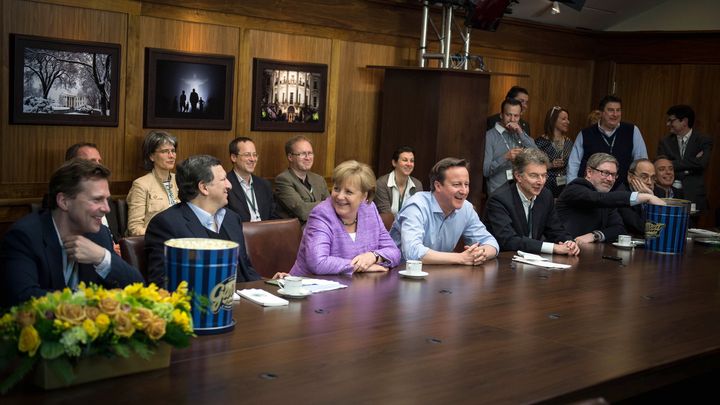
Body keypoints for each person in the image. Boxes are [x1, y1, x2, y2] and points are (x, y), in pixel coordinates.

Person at [0, 160, 144, 307]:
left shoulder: (99, 234)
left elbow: (138, 286)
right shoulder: (24, 236)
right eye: (97, 199)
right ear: (64, 201)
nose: (107, 209)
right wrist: (92, 301)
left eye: (107, 200)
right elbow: (23, 298)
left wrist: (102, 258)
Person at [145, 155, 266, 288]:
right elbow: (162, 283)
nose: (230, 185)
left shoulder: (232, 219)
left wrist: (269, 284)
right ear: (204, 187)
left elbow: (246, 270)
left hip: (245, 301)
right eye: (223, 179)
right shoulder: (167, 224)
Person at [289, 160, 401, 276]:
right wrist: (360, 266)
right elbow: (318, 262)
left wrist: (373, 256)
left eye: (348, 192)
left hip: (356, 288)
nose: (340, 196)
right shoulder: (321, 214)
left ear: (364, 196)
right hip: (308, 288)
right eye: (337, 189)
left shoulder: (369, 210)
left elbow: (394, 252)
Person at [391, 157, 499, 265]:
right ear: (438, 186)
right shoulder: (416, 206)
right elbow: (413, 253)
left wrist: (480, 254)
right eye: (457, 184)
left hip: (439, 274)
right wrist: (461, 258)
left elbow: (491, 243)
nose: (464, 191)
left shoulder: (466, 208)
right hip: (398, 275)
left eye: (466, 184)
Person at [485, 148, 579, 255]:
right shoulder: (499, 199)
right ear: (518, 176)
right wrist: (553, 247)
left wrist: (569, 242)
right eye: (534, 175)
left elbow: (556, 229)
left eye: (544, 175)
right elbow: (508, 240)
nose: (540, 181)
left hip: (534, 260)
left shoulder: (545, 195)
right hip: (505, 260)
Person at [556, 153, 664, 244]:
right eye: (605, 173)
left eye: (614, 175)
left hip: (591, 257)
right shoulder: (575, 187)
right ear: (589, 172)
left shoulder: (608, 199)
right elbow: (597, 199)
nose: (610, 179)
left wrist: (595, 235)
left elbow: (619, 229)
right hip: (563, 251)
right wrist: (645, 197)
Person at [567, 95, 648, 189]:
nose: (615, 114)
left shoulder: (632, 131)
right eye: (611, 110)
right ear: (601, 113)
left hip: (622, 192)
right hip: (590, 192)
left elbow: (641, 163)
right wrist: (571, 189)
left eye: (618, 110)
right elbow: (573, 164)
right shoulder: (585, 134)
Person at [657, 104, 713, 211]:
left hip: (694, 196)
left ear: (684, 121)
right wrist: (690, 166)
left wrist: (674, 164)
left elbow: (702, 164)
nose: (668, 124)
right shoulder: (665, 142)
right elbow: (663, 165)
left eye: (671, 120)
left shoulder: (703, 140)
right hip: (670, 195)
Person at [126, 130, 179, 236]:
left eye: (173, 151)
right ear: (151, 156)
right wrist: (164, 234)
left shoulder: (181, 180)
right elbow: (134, 229)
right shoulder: (141, 185)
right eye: (164, 151)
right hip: (156, 241)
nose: (171, 155)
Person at [483, 98, 537, 195]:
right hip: (498, 194)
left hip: (520, 192)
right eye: (508, 115)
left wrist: (520, 132)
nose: (512, 119)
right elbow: (485, 171)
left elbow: (536, 155)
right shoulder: (489, 136)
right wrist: (505, 157)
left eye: (516, 116)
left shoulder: (519, 134)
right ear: (501, 115)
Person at [274, 136, 329, 224]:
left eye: (310, 153)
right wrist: (326, 204)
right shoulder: (283, 180)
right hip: (298, 233)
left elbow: (333, 209)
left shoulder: (319, 179)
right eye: (303, 154)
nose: (308, 158)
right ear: (290, 157)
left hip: (323, 227)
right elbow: (303, 211)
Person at [226, 136, 277, 222]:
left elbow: (273, 216)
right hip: (240, 233)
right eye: (247, 155)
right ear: (234, 157)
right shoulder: (225, 184)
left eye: (254, 155)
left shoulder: (264, 185)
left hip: (266, 232)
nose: (253, 159)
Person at [535, 106, 573, 197]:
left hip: (564, 187)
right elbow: (532, 165)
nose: (568, 122)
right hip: (545, 186)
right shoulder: (540, 142)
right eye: (564, 119)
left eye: (568, 119)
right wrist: (550, 165)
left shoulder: (569, 142)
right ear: (553, 120)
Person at [374, 146, 423, 215]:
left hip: (410, 225)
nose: (409, 164)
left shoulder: (417, 185)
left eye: (412, 161)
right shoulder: (382, 183)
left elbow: (417, 212)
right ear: (394, 163)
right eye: (405, 160)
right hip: (386, 225)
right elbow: (385, 215)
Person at [617, 159, 657, 236]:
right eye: (644, 177)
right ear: (630, 177)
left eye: (652, 178)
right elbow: (645, 229)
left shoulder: (657, 192)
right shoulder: (621, 196)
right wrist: (649, 199)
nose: (649, 182)